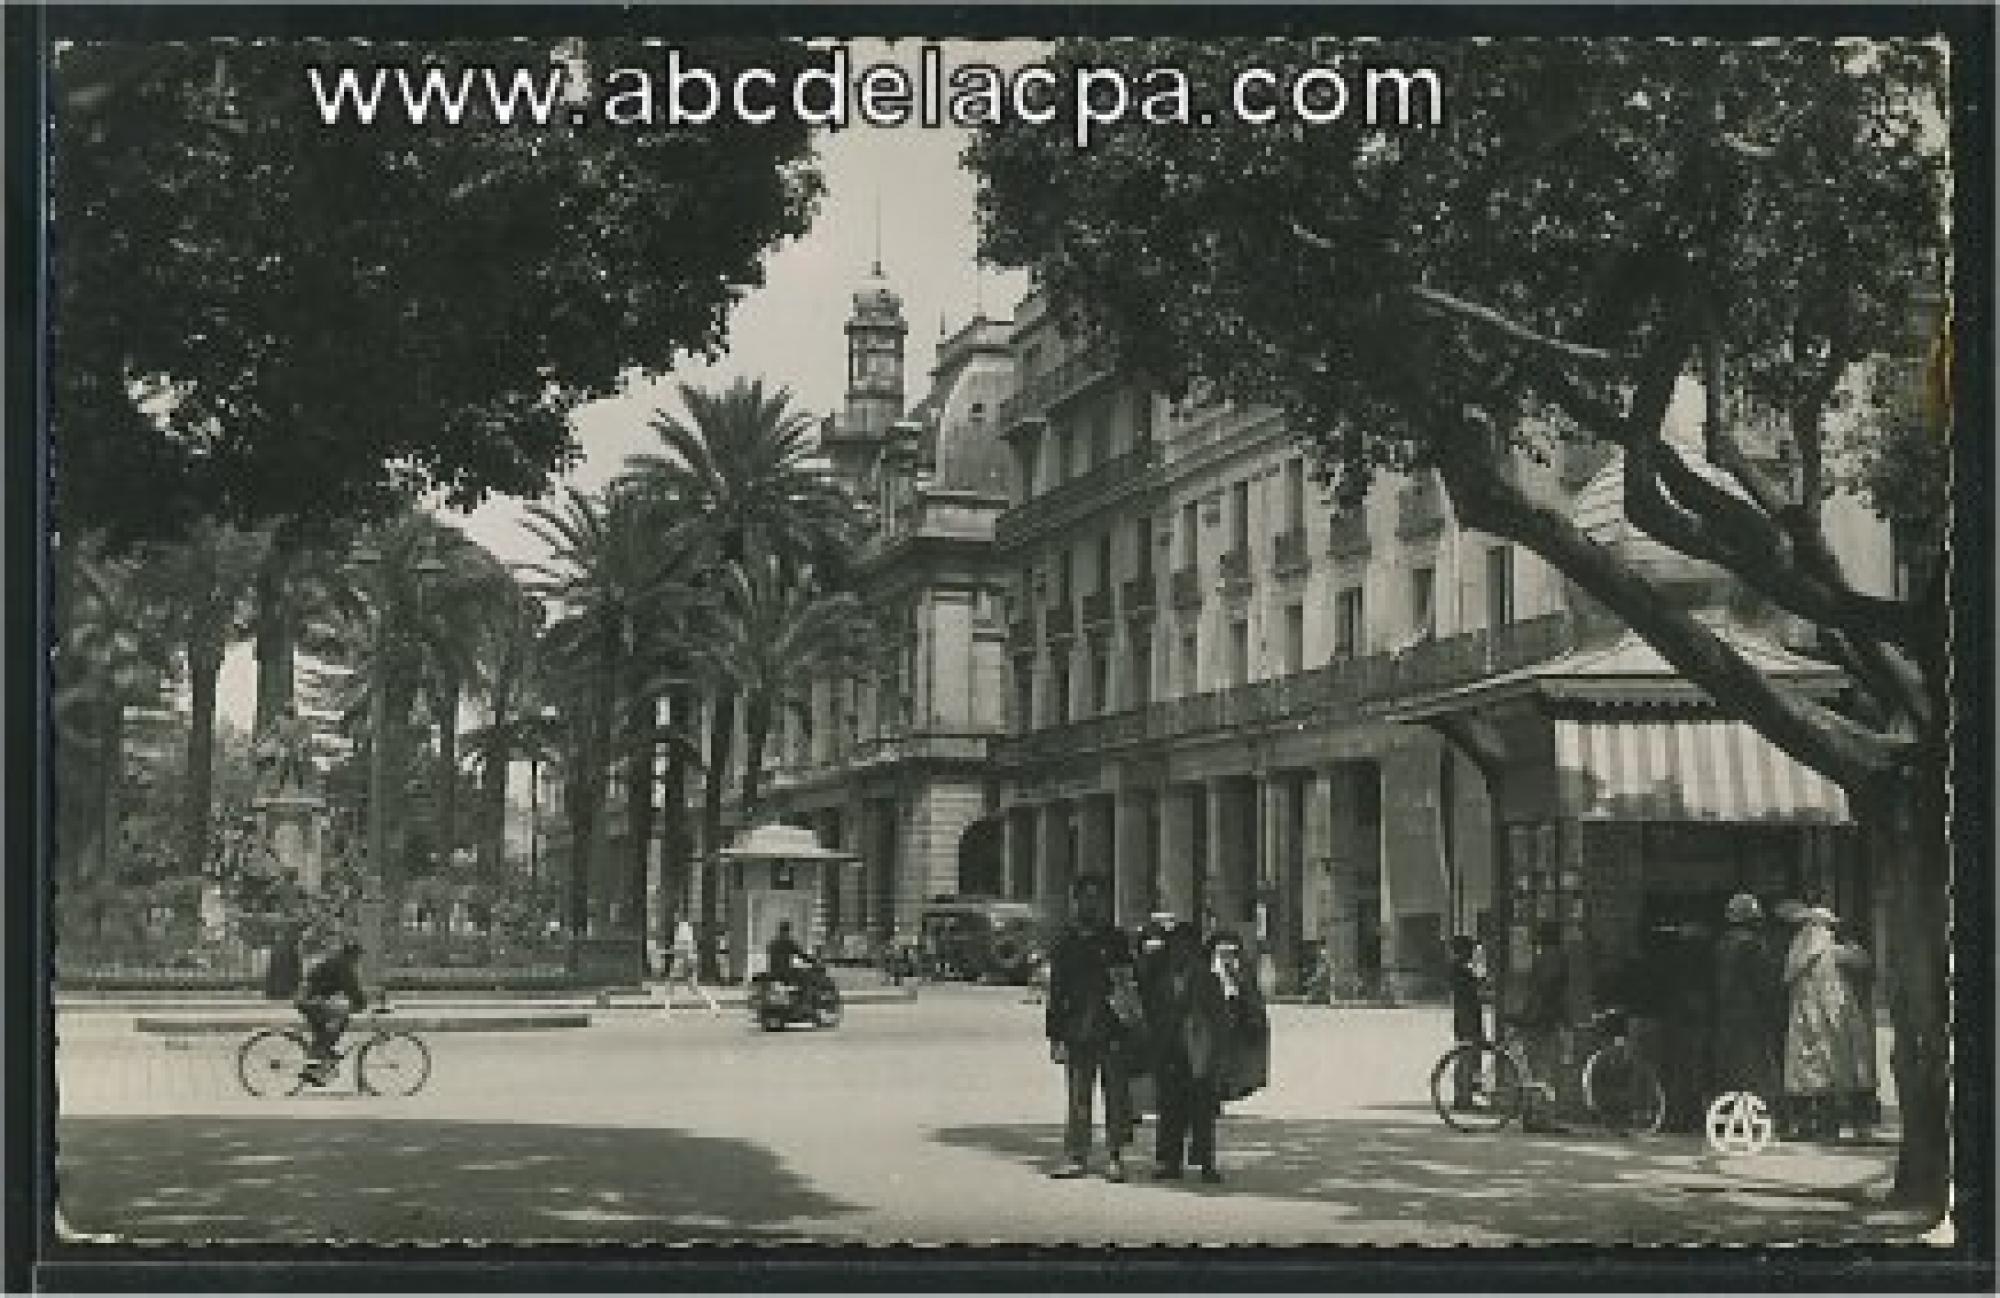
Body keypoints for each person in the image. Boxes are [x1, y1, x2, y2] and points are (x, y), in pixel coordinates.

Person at [1045, 874, 1137, 1182]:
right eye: (1086, 897)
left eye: (1097, 898)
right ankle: (1076, 1155)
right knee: (1078, 1096)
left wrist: (1130, 1022)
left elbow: (1127, 985)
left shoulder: (1117, 940)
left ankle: (1115, 1156)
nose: (1091, 904)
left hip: (1112, 1029)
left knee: (1117, 1096)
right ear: (1076, 902)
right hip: (1076, 1030)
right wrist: (1055, 1036)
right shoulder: (1065, 942)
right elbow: (1056, 993)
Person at [1780, 903, 1875, 1140]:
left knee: (1807, 1072)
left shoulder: (1797, 951)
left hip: (1806, 1018)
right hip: (1834, 1017)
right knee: (1839, 1069)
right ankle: (1838, 1126)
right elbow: (1864, 962)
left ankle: (1806, 1125)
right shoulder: (1835, 950)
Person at [1711, 893, 1781, 1105]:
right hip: (1752, 1017)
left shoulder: (1722, 944)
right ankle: (1758, 1114)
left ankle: (1733, 1114)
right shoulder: (1754, 945)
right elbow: (1764, 984)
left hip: (1727, 1015)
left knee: (1731, 1070)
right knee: (1755, 1069)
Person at [1830, 919, 1881, 1139]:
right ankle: (1860, 1122)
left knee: (1853, 1068)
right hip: (1852, 1013)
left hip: (1849, 1013)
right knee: (1857, 1069)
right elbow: (1865, 966)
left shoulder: (1837, 953)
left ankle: (1857, 1120)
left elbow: (1863, 966)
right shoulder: (1846, 953)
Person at [1516, 922, 1569, 1132]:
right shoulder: (1556, 958)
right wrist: (1563, 1017)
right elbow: (1552, 991)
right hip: (1544, 1021)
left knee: (1534, 1069)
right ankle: (1545, 1119)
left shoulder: (1540, 958)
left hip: (1532, 1019)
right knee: (1548, 1070)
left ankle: (1530, 1115)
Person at [295, 940, 371, 1082]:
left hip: (307, 999)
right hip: (310, 1001)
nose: (359, 961)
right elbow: (351, 987)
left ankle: (323, 1057)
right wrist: (361, 1003)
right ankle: (316, 1062)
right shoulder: (343, 966)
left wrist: (358, 1001)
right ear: (353, 955)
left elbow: (349, 987)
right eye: (359, 957)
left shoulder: (337, 962)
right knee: (338, 1018)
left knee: (333, 1023)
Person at [1447, 935, 1489, 1109]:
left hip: (1465, 1018)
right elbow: (1479, 984)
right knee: (1467, 1058)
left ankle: (1463, 1096)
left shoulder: (1459, 969)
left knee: (1466, 1057)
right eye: (1470, 950)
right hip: (1468, 1019)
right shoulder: (1461, 970)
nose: (1472, 953)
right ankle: (1463, 1098)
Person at [662, 916, 720, 1014]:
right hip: (688, 960)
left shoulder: (682, 930)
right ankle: (712, 1004)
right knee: (693, 986)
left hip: (683, 960)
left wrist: (669, 951)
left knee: (672, 984)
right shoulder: (686, 930)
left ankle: (666, 1010)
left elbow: (682, 948)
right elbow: (685, 947)